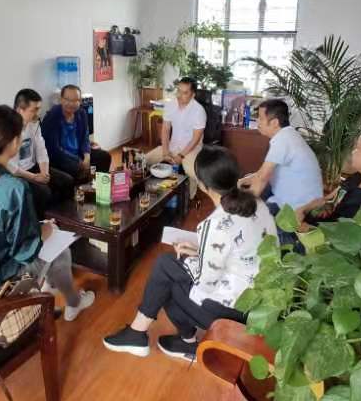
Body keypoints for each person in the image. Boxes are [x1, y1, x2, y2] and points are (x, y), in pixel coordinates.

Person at [103, 146, 274, 361]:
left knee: (166, 273)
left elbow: (205, 283)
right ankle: (175, 340)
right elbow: (241, 253)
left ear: (202, 185)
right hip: (259, 302)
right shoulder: (258, 204)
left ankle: (148, 336)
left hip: (235, 312)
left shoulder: (216, 224)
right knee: (167, 270)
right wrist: (199, 252)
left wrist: (188, 259)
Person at [0, 105, 95, 320]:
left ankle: (47, 289)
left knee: (47, 238)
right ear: (15, 142)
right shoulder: (13, 188)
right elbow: (25, 251)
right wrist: (46, 230)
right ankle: (74, 303)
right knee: (60, 250)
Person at [238, 99, 323, 216]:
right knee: (247, 182)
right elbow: (262, 173)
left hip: (298, 209)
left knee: (252, 215)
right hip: (297, 198)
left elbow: (262, 178)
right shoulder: (288, 135)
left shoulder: (283, 140)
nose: (257, 121)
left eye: (261, 118)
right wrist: (241, 181)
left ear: (274, 123)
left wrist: (244, 209)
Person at [9, 88, 74, 216]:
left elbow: (41, 149)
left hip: (34, 168)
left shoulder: (33, 124)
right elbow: (11, 166)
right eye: (34, 110)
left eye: (39, 109)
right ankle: (41, 222)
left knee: (67, 181)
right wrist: (34, 177)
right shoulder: (7, 129)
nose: (38, 114)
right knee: (43, 192)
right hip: (17, 175)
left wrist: (44, 172)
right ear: (20, 110)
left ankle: (64, 218)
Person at [145, 77, 206, 200]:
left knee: (191, 171)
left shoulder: (199, 111)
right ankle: (153, 190)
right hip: (172, 146)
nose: (179, 95)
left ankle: (190, 197)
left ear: (193, 94)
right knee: (145, 160)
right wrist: (165, 152)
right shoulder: (170, 105)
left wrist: (181, 156)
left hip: (191, 149)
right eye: (178, 91)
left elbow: (195, 139)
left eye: (185, 93)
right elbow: (165, 130)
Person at [41, 84, 112, 180]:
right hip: (61, 158)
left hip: (79, 153)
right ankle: (86, 184)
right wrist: (78, 161)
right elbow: (54, 149)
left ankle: (99, 185)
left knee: (104, 157)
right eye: (67, 99)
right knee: (79, 169)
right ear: (61, 99)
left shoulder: (81, 113)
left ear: (80, 101)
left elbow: (85, 138)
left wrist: (87, 156)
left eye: (75, 100)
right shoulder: (52, 117)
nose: (71, 103)